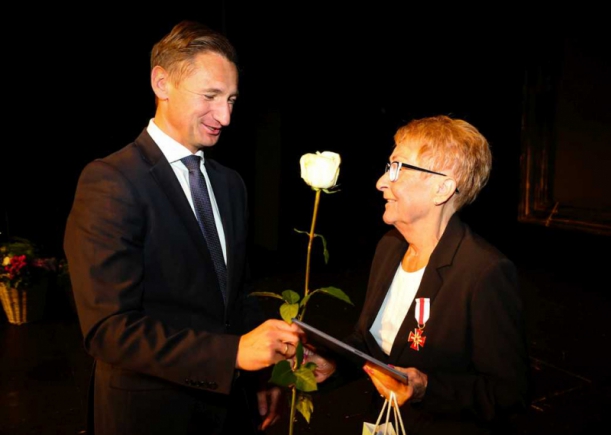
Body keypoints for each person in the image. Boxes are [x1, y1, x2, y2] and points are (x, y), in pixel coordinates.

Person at [63, 20, 301, 435]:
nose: (225, 116)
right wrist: (231, 355)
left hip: (232, 409)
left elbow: (236, 296)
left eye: (231, 99)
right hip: (150, 416)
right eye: (210, 96)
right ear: (162, 83)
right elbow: (108, 330)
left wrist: (263, 374)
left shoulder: (231, 184)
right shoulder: (111, 181)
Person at [306, 115, 530, 434]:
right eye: (388, 167)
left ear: (442, 188)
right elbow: (371, 343)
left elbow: (509, 394)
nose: (381, 182)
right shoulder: (390, 247)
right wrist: (333, 364)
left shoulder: (484, 272)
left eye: (397, 168)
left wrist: (427, 388)